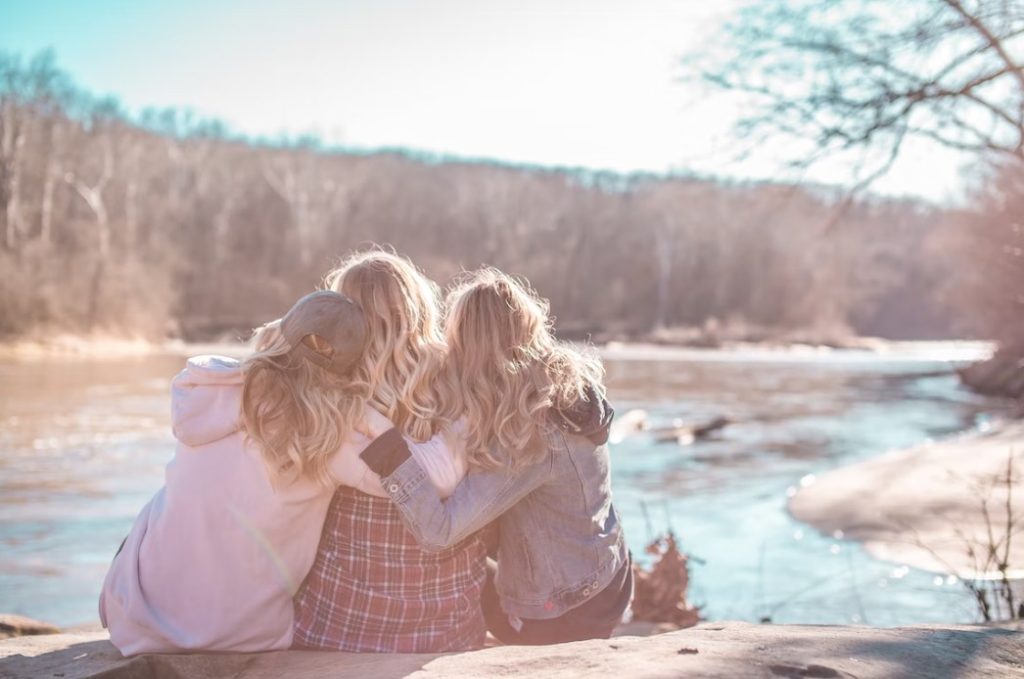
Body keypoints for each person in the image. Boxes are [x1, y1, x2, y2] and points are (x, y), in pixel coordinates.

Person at [98, 291, 458, 655]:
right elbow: (432, 481)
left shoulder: (210, 390)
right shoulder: (334, 434)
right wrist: (459, 424)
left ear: (281, 336)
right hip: (243, 636)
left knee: (160, 506)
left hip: (135, 619)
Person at [361, 268, 632, 645]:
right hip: (606, 569)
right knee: (472, 561)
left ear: (468, 348)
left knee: (449, 568)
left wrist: (389, 450)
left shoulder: (532, 434)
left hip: (568, 606)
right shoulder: (560, 384)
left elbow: (439, 532)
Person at [292, 252, 489, 652]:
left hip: (339, 629)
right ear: (419, 311)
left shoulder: (328, 396)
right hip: (445, 632)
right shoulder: (464, 384)